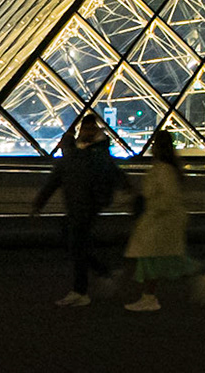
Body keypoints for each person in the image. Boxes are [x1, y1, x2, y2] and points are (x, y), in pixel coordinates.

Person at [30, 113, 128, 307]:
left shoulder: (92, 153)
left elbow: (57, 177)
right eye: (86, 128)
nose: (88, 131)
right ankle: (102, 272)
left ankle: (81, 290)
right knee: (75, 244)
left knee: (76, 245)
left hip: (87, 205)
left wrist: (39, 203)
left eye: (91, 128)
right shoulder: (88, 151)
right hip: (78, 205)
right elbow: (57, 177)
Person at [121, 129, 205, 311]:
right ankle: (196, 279)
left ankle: (149, 297)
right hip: (163, 219)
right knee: (166, 259)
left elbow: (167, 197)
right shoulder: (167, 168)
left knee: (151, 259)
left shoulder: (162, 169)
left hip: (160, 221)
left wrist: (151, 210)